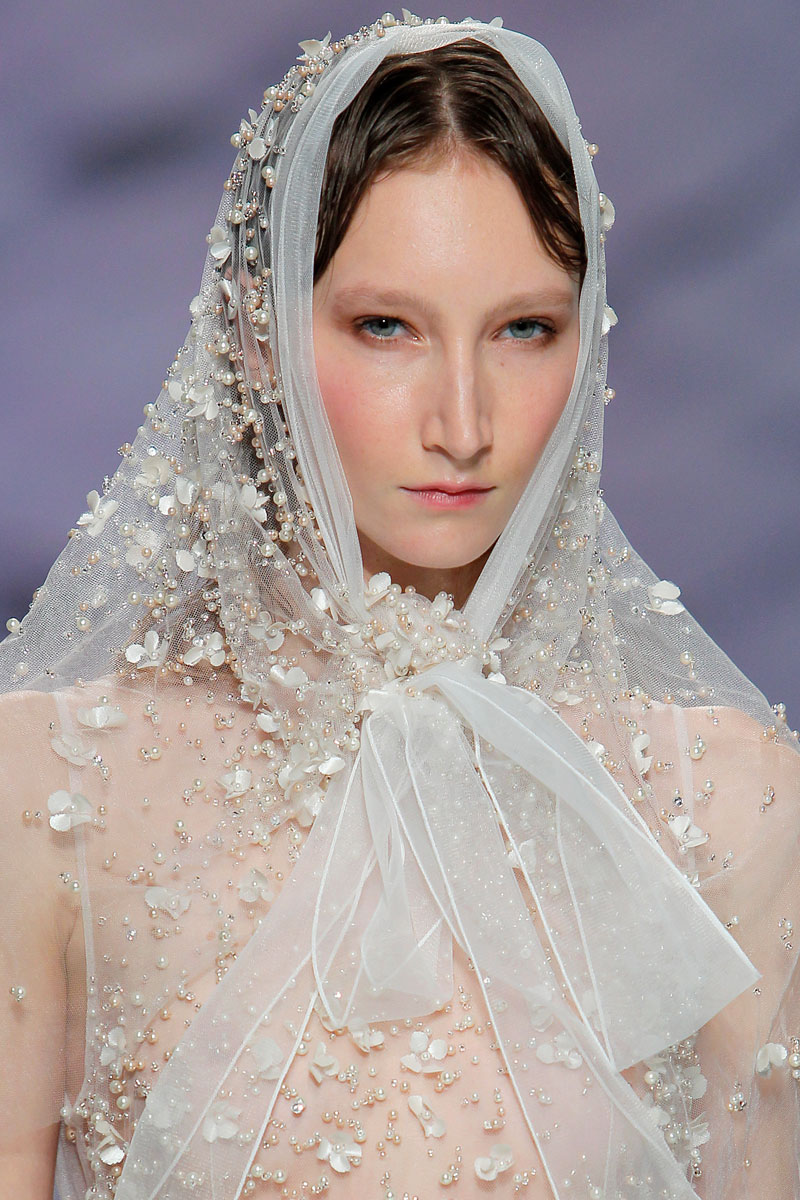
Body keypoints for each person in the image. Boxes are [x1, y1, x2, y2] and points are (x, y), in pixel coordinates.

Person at [0, 13, 796, 1200]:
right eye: (387, 327)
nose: (461, 421)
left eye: (523, 329)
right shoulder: (54, 790)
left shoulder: (721, 800)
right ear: (257, 338)